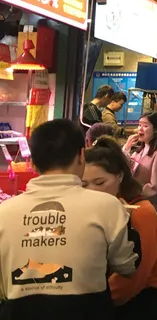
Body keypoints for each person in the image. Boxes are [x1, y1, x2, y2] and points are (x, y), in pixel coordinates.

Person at [0, 119, 138, 319]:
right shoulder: (107, 206)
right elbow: (128, 266)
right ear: (81, 155)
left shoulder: (4, 212)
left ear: (32, 162)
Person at [83, 137, 157, 319]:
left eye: (99, 183)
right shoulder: (98, 210)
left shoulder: (140, 212)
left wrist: (93, 306)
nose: (91, 190)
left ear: (120, 177)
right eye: (83, 184)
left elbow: (133, 278)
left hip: (141, 305)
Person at [123, 113, 157, 209]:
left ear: (155, 130)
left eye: (145, 126)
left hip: (148, 208)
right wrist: (126, 148)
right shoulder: (138, 152)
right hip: (132, 205)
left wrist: (132, 191)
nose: (140, 129)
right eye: (139, 125)